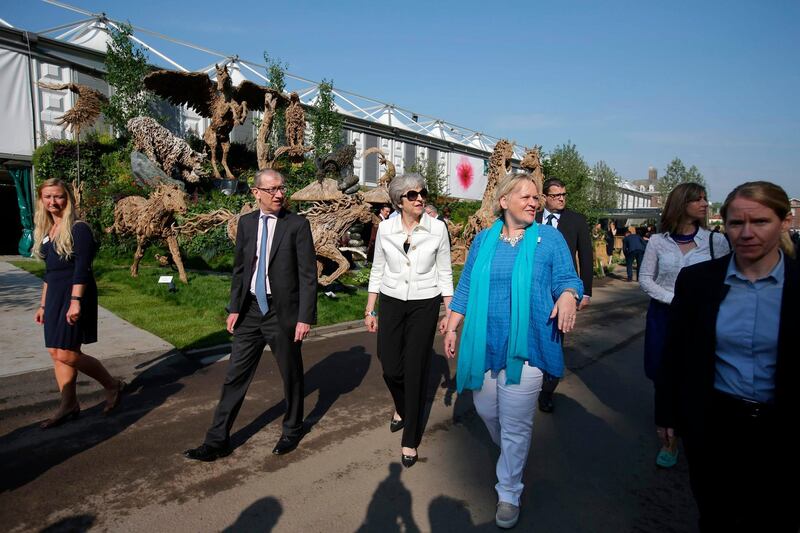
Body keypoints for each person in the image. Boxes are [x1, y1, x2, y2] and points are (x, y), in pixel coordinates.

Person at [655, 181, 798, 532]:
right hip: (714, 424)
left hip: (782, 430)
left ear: (784, 221)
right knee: (716, 515)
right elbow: (675, 353)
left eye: (760, 222)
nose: (747, 233)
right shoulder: (698, 282)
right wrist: (667, 413)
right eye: (736, 223)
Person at [444, 173, 582, 529]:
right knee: (487, 410)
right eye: (526, 196)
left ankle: (509, 490)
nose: (534, 201)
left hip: (529, 345)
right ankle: (511, 453)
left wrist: (568, 295)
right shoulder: (483, 241)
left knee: (517, 425)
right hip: (486, 343)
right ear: (504, 201)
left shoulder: (548, 240)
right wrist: (452, 325)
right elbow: (467, 286)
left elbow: (569, 278)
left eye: (537, 197)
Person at [184, 169, 317, 461]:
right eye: (272, 190)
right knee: (235, 376)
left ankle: (293, 429)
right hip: (251, 310)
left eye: (282, 188)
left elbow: (308, 275)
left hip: (283, 313)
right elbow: (241, 270)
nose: (279, 194)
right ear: (256, 193)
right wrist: (234, 308)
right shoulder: (246, 224)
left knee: (291, 375)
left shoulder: (297, 225)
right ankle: (217, 440)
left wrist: (305, 317)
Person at [365, 173, 453, 468]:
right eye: (412, 195)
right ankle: (402, 407)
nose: (419, 199)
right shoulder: (386, 228)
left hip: (424, 304)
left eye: (422, 193)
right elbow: (377, 269)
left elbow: (445, 274)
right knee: (389, 364)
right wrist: (370, 308)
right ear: (399, 201)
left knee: (416, 369)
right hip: (391, 301)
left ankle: (410, 439)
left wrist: (449, 314)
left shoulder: (437, 229)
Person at [639, 182, 729, 468]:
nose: (704, 204)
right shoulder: (658, 242)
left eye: (705, 198)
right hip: (664, 318)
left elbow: (726, 280)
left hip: (703, 320)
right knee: (664, 376)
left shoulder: (716, 242)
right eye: (697, 199)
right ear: (681, 204)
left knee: (700, 375)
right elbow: (645, 279)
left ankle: (701, 430)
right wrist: (675, 300)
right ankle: (670, 439)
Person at [33, 178, 124, 428]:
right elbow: (49, 274)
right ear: (41, 199)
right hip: (53, 296)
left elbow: (82, 270)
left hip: (75, 293)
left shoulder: (78, 228)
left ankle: (112, 384)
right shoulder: (47, 230)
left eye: (59, 196)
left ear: (68, 198)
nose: (53, 201)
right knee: (55, 352)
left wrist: (76, 301)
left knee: (67, 352)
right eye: (48, 196)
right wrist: (42, 305)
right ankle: (69, 404)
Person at [534, 177, 592, 413]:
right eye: (556, 195)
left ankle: (547, 390)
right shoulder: (532, 218)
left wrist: (585, 290)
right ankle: (529, 382)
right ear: (545, 197)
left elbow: (586, 256)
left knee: (556, 337)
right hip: (535, 287)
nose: (561, 199)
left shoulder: (576, 221)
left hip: (563, 290)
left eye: (564, 195)